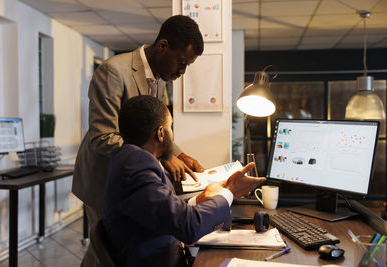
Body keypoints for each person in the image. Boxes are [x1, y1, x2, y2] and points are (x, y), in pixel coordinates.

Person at [72, 15, 207, 264]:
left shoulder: (160, 78)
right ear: (163, 46)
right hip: (104, 178)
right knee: (109, 255)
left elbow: (156, 129)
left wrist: (178, 154)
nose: (182, 71)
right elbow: (103, 137)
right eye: (181, 61)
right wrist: (165, 157)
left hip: (131, 178)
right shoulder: (113, 71)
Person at [103, 95, 266, 267]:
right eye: (170, 127)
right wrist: (230, 192)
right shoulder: (136, 167)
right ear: (160, 133)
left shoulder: (131, 159)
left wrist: (199, 200)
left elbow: (163, 211)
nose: (171, 134)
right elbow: (188, 227)